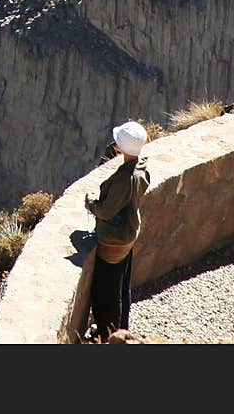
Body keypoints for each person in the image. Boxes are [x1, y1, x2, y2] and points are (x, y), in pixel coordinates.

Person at [84, 119, 151, 341]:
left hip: (113, 241)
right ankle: (123, 329)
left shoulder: (124, 179)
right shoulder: (142, 170)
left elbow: (107, 211)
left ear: (120, 147)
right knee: (122, 285)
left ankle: (109, 335)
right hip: (129, 234)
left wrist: (91, 204)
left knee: (106, 292)